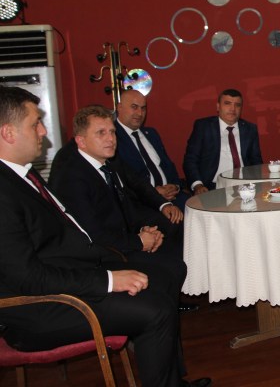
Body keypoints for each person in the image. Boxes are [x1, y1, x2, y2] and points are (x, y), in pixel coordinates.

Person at [0, 86, 210, 387]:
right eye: (35, 124)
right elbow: (28, 277)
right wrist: (109, 279)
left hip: (69, 275)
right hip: (38, 309)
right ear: (8, 133)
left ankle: (173, 380)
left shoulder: (24, 174)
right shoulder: (6, 190)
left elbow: (70, 233)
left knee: (163, 280)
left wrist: (117, 260)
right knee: (156, 309)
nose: (44, 131)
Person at [49, 106, 195, 313]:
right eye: (101, 133)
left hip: (122, 229)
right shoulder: (71, 176)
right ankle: (155, 312)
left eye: (112, 132)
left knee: (171, 236)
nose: (110, 139)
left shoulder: (106, 156)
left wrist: (146, 230)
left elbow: (133, 188)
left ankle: (165, 306)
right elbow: (92, 235)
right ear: (81, 141)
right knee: (173, 268)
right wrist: (139, 241)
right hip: (98, 255)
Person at [115, 89, 187, 210]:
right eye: (134, 107)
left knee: (204, 211)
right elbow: (122, 182)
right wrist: (153, 193)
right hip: (143, 204)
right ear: (119, 107)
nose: (139, 113)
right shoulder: (112, 137)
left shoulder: (151, 134)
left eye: (143, 108)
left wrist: (175, 186)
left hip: (173, 196)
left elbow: (168, 166)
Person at [183, 88, 263, 194]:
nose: (232, 109)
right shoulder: (203, 127)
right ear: (218, 106)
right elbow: (190, 160)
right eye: (227, 103)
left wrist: (258, 183)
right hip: (212, 186)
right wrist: (198, 185)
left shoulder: (249, 129)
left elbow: (256, 161)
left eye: (237, 105)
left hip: (245, 185)